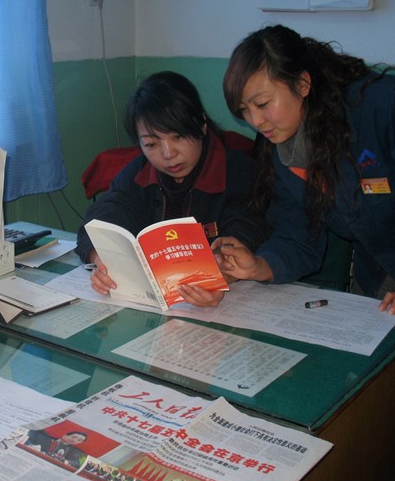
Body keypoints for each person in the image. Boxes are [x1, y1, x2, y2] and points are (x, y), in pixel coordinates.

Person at [217, 24, 395, 481]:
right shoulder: (284, 145)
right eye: (244, 111)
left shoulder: (389, 106)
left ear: (302, 83)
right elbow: (298, 234)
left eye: (262, 103)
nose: (256, 121)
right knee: (358, 384)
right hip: (383, 268)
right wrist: (259, 266)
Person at [75, 71, 268, 307]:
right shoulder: (138, 172)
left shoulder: (239, 171)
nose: (168, 154)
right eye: (151, 144)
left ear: (202, 125)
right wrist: (103, 260)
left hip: (231, 303)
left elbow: (248, 230)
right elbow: (99, 220)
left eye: (178, 136)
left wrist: (222, 275)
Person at [24, 429, 88, 468]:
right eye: (74, 437)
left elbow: (75, 463)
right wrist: (30, 445)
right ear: (65, 434)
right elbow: (27, 437)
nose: (75, 441)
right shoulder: (42, 434)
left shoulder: (73, 450)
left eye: (79, 440)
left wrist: (65, 461)